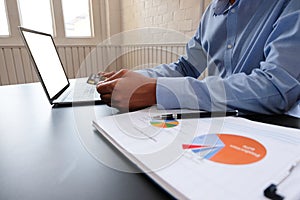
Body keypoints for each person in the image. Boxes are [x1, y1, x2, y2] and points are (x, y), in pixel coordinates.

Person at [97, 0, 300, 115]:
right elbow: (185, 67)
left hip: (273, 128)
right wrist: (134, 79)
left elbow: (276, 88)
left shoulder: (289, 4)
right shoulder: (211, 12)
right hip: (222, 121)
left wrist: (158, 90)